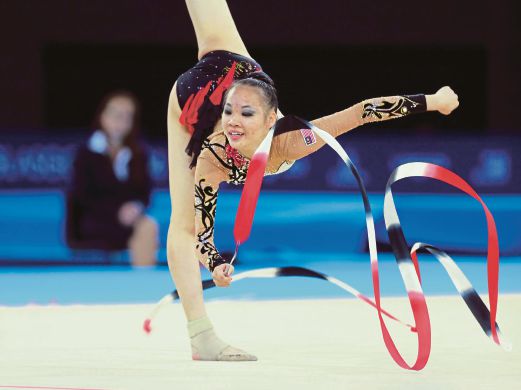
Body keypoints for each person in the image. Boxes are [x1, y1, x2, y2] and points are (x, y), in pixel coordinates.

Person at [167, 0, 459, 361]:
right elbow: (202, 234)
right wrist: (215, 264)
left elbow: (361, 113)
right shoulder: (213, 158)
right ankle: (202, 336)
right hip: (194, 94)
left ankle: (200, 338)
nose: (233, 123)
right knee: (183, 226)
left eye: (245, 115)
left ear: (273, 118)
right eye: (230, 113)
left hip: (237, 68)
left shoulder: (293, 141)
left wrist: (433, 101)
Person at [68, 90, 158, 267]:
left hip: (129, 224)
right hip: (95, 222)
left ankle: (144, 284)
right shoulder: (86, 153)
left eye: (127, 116)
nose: (121, 121)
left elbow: (144, 194)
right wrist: (116, 211)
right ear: (103, 116)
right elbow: (82, 196)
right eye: (116, 114)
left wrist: (135, 207)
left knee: (148, 226)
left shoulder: (138, 154)